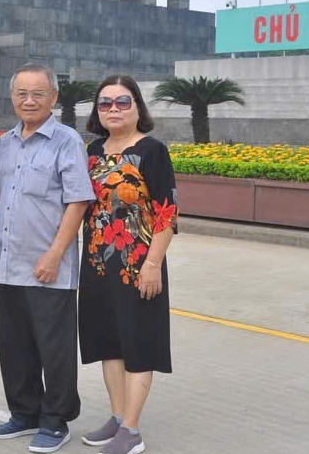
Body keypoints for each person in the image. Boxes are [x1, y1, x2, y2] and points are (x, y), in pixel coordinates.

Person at [0, 64, 95, 453]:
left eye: (38, 94)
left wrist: (55, 254)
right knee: (13, 343)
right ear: (12, 97)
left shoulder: (67, 141)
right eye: (22, 93)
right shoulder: (4, 143)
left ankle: (55, 420)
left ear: (53, 98)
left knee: (55, 348)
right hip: (5, 263)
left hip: (48, 267)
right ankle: (24, 412)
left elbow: (78, 201)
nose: (29, 101)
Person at [78, 75, 178, 454]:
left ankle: (132, 430)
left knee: (139, 343)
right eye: (105, 103)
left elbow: (167, 214)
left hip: (138, 265)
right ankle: (118, 418)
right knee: (109, 343)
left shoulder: (152, 151)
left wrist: (153, 263)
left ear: (138, 107)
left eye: (123, 102)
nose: (114, 109)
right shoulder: (92, 151)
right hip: (97, 264)